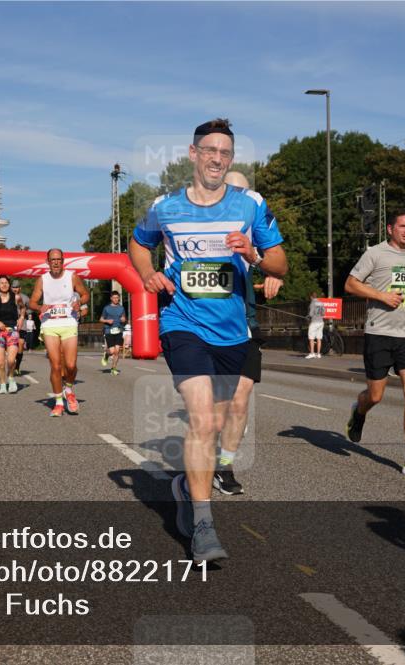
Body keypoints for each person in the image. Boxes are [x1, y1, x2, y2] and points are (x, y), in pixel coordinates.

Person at [129, 118, 287, 563]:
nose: (218, 158)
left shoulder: (250, 204)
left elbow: (280, 264)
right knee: (201, 419)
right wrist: (148, 273)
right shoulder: (165, 207)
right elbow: (138, 244)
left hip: (232, 331)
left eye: (226, 153)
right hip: (182, 322)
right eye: (210, 150)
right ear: (193, 153)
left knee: (215, 424)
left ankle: (184, 485)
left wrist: (253, 254)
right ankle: (203, 524)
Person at [344, 209, 405, 476]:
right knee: (375, 395)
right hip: (379, 333)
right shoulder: (375, 253)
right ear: (390, 229)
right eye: (402, 226)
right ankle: (359, 411)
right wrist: (381, 296)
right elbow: (351, 284)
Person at [214, 170, 286, 496]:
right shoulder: (200, 227)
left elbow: (276, 260)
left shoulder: (254, 230)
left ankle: (224, 467)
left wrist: (272, 272)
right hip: (205, 326)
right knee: (217, 403)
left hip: (245, 324)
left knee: (240, 399)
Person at [29, 248, 89, 416]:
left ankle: (68, 389)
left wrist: (79, 302)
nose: (56, 262)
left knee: (70, 365)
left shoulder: (72, 276)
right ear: (48, 262)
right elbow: (32, 302)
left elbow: (85, 294)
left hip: (69, 322)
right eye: (52, 260)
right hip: (50, 324)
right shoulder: (42, 280)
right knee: (55, 365)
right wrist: (39, 307)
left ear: (63, 261)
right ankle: (58, 403)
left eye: (58, 260)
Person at [99, 290, 127, 375]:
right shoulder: (106, 308)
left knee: (117, 351)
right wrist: (107, 321)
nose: (116, 299)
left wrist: (123, 319)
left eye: (117, 298)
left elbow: (124, 318)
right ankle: (106, 355)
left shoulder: (121, 308)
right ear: (111, 298)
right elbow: (101, 319)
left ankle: (114, 368)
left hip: (119, 330)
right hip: (109, 331)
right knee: (112, 351)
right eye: (114, 298)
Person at [12, 280, 30, 375]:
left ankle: (17, 366)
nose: (15, 289)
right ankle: (12, 361)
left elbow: (31, 309)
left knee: (21, 344)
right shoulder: (7, 297)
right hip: (10, 322)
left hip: (22, 323)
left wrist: (24, 313)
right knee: (11, 344)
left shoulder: (25, 298)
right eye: (13, 287)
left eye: (17, 287)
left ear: (20, 288)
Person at [306, 292, 325, 359]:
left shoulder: (312, 303)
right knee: (319, 338)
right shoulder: (321, 303)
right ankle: (318, 354)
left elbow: (311, 314)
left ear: (311, 297)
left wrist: (307, 316)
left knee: (311, 338)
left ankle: (312, 353)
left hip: (314, 322)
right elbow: (323, 313)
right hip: (321, 322)